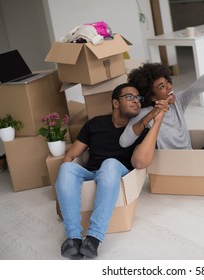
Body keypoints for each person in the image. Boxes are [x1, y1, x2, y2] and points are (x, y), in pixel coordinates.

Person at [55, 83, 167, 260]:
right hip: (92, 174)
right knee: (67, 167)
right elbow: (70, 155)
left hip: (117, 173)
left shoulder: (140, 131)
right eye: (130, 97)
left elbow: (142, 161)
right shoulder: (95, 124)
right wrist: (59, 197)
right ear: (115, 103)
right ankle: (74, 238)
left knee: (110, 164)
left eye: (138, 98)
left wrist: (156, 120)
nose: (136, 101)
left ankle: (94, 238)